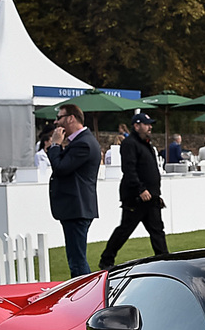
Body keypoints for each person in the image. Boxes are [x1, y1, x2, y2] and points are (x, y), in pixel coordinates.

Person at [98, 112, 168, 270]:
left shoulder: (146, 143)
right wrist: (140, 188)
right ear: (137, 125)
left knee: (157, 230)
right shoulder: (130, 143)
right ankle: (106, 259)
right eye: (146, 124)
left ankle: (164, 260)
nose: (150, 127)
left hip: (151, 197)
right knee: (125, 229)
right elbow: (129, 169)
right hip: (137, 197)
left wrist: (156, 193)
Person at [46, 103, 101, 277]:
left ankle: (86, 299)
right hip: (77, 207)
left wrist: (55, 145)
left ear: (71, 118)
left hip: (77, 207)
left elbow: (61, 168)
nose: (56, 123)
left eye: (59, 118)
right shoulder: (79, 141)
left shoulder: (83, 143)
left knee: (77, 261)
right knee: (76, 258)